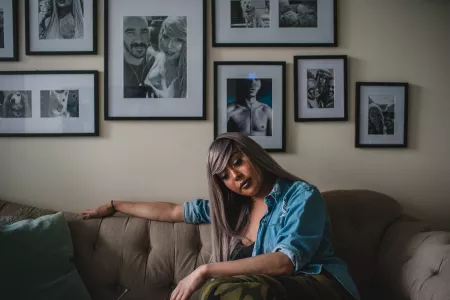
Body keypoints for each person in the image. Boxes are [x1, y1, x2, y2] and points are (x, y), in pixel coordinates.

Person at [81, 133, 360, 300]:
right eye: (224, 175)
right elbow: (172, 211)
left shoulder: (302, 196)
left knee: (221, 291)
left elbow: (284, 263)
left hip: (320, 287)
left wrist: (204, 271)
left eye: (237, 162)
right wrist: (115, 205)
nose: (235, 177)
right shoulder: (232, 210)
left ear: (255, 156)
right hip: (270, 290)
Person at [144, 16, 187, 98]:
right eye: (166, 37)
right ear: (161, 36)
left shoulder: (186, 75)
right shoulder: (155, 57)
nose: (169, 46)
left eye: (178, 39)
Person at [123, 16, 156, 98]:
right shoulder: (115, 67)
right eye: (130, 33)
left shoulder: (156, 61)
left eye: (144, 33)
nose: (139, 40)